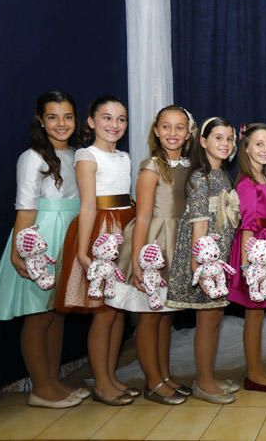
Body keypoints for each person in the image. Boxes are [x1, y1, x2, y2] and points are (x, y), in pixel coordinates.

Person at [0, 91, 88, 408]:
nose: (61, 123)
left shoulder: (77, 155)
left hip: (69, 238)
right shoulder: (32, 158)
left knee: (57, 312)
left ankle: (53, 381)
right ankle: (40, 387)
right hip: (40, 240)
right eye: (53, 117)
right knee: (37, 315)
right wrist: (21, 251)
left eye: (68, 116)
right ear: (40, 120)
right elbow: (26, 207)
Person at [107, 106, 196, 405]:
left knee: (165, 316)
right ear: (156, 131)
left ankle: (165, 375)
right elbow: (143, 217)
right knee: (148, 316)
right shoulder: (151, 167)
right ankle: (153, 381)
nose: (173, 133)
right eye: (166, 127)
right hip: (153, 246)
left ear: (188, 132)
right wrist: (136, 261)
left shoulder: (187, 165)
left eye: (179, 127)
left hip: (176, 244)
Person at [54, 96, 136, 405]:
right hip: (101, 233)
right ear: (91, 121)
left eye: (121, 119)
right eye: (107, 117)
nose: (114, 125)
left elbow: (127, 198)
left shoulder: (125, 158)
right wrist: (84, 251)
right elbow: (88, 205)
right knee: (103, 313)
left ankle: (112, 376)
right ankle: (101, 382)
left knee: (118, 312)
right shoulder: (87, 156)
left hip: (124, 228)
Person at [166, 117, 239, 404]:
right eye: (218, 138)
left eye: (229, 139)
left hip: (218, 257)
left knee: (215, 318)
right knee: (207, 320)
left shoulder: (223, 175)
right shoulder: (200, 177)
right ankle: (204, 382)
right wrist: (200, 264)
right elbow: (198, 222)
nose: (225, 144)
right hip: (204, 258)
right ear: (203, 141)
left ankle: (209, 376)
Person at [227, 123, 266, 393]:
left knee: (258, 314)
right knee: (253, 314)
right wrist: (250, 267)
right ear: (246, 147)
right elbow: (249, 226)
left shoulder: (263, 177)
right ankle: (253, 374)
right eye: (259, 144)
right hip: (255, 255)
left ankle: (258, 368)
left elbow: (263, 214)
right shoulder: (247, 181)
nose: (265, 149)